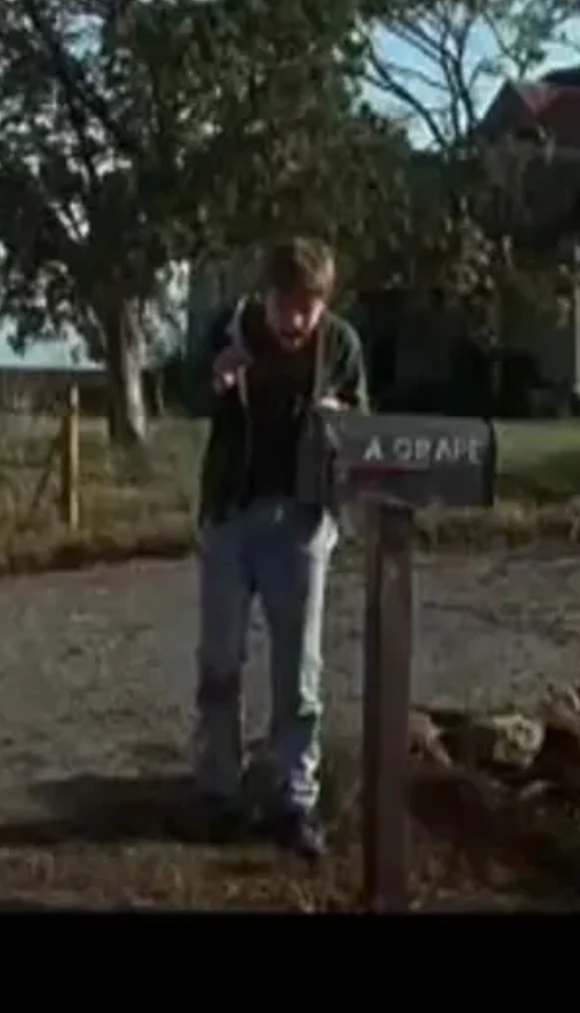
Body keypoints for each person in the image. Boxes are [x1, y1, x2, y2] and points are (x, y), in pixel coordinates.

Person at [186, 236, 368, 857]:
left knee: (300, 670)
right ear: (263, 296)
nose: (293, 321)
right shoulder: (229, 328)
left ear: (323, 304)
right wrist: (214, 377)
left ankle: (296, 799)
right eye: (283, 305)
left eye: (306, 307)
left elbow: (366, 433)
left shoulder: (340, 345)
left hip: (303, 518)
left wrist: (340, 415)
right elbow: (180, 395)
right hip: (232, 516)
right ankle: (217, 791)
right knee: (220, 660)